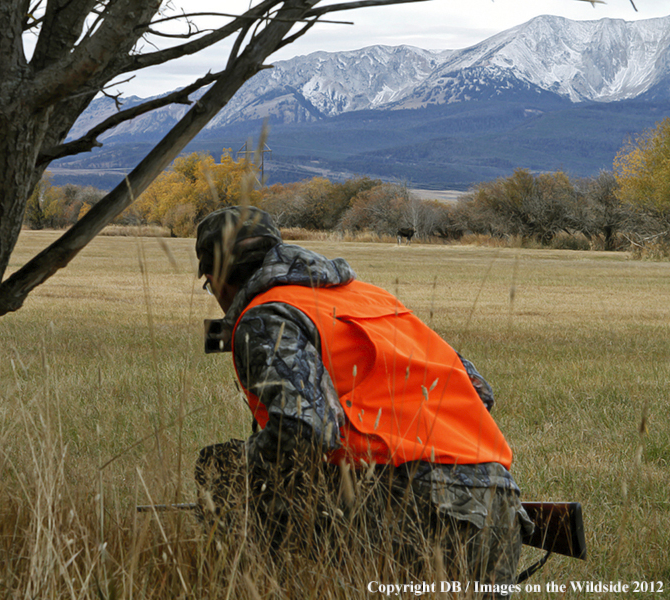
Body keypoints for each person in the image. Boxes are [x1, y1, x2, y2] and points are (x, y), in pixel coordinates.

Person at [193, 206, 533, 592]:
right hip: (499, 507)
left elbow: (303, 431)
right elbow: (479, 391)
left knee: (221, 467)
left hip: (413, 510)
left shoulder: (265, 316)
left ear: (217, 278)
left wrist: (241, 474)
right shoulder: (369, 297)